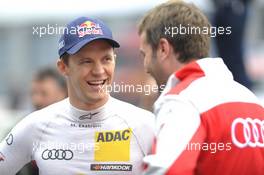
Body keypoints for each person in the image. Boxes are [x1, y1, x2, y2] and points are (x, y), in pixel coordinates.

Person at [0, 16, 155, 175]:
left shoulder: (145, 125)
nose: (99, 71)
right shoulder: (35, 126)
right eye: (86, 61)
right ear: (63, 67)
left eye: (106, 59)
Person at [138, 1, 264, 174]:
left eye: (145, 55)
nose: (145, 67)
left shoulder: (183, 101)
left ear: (163, 48)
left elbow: (168, 171)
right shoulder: (251, 100)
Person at [17, 68, 67, 175]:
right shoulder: (21, 129)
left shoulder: (79, 131)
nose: (37, 100)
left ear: (62, 94)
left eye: (44, 93)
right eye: (33, 93)